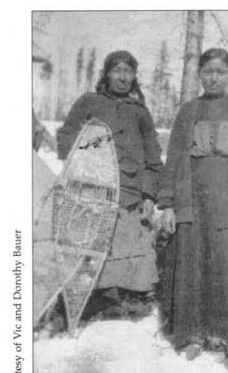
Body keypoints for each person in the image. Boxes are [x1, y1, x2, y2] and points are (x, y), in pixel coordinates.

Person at [158, 48, 228, 372]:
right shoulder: (188, 111)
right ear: (200, 75)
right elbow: (175, 158)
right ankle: (192, 335)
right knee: (192, 266)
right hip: (193, 198)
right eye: (208, 71)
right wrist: (167, 204)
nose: (214, 77)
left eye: (220, 72)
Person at [57, 50, 162, 317]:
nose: (123, 77)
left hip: (128, 192)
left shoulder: (140, 112)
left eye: (128, 72)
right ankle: (80, 302)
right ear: (106, 74)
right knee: (87, 245)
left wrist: (149, 196)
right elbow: (66, 135)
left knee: (125, 246)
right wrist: (88, 155)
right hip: (91, 187)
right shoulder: (89, 102)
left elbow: (153, 158)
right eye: (117, 71)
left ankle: (116, 298)